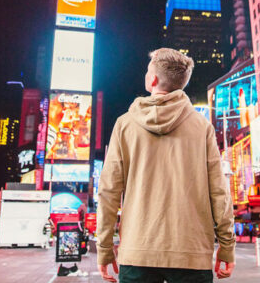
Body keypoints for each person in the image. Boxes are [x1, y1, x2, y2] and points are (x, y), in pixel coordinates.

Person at [97, 48, 236, 283]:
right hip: (191, 254)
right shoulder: (202, 127)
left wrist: (104, 248)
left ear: (152, 80)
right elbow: (220, 192)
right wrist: (227, 245)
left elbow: (108, 191)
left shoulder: (124, 125)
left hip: (137, 253)